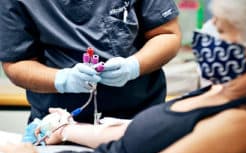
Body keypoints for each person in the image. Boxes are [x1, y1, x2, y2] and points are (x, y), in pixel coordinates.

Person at [1, 0, 246, 153]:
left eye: (220, 29)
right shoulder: (218, 93)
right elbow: (145, 132)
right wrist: (65, 128)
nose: (204, 35)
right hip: (69, 141)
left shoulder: (242, 123)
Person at [0, 0, 181, 123]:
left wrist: (133, 66)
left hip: (138, 118)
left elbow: (167, 34)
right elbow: (17, 62)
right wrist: (63, 80)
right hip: (59, 124)